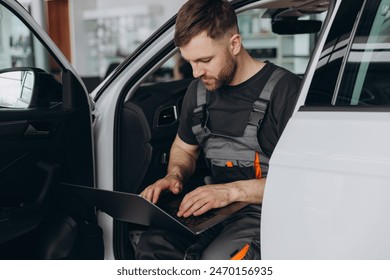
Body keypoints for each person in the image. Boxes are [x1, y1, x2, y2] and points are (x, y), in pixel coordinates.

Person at [135, 0, 301, 260]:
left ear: (234, 44)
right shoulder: (197, 91)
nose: (196, 71)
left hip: (263, 212)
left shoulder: (286, 91)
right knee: (153, 244)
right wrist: (175, 175)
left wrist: (230, 191)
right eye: (189, 61)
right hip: (214, 209)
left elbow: (301, 182)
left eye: (205, 60)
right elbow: (183, 148)